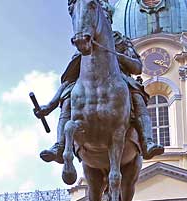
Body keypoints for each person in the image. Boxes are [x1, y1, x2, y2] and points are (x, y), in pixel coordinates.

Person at [35, 1, 163, 162]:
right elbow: (68, 78)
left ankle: (147, 141)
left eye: (106, 15)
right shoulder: (84, 42)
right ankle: (59, 146)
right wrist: (48, 106)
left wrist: (119, 57)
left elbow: (137, 67)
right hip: (88, 82)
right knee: (68, 96)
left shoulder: (119, 40)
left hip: (118, 77)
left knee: (137, 96)